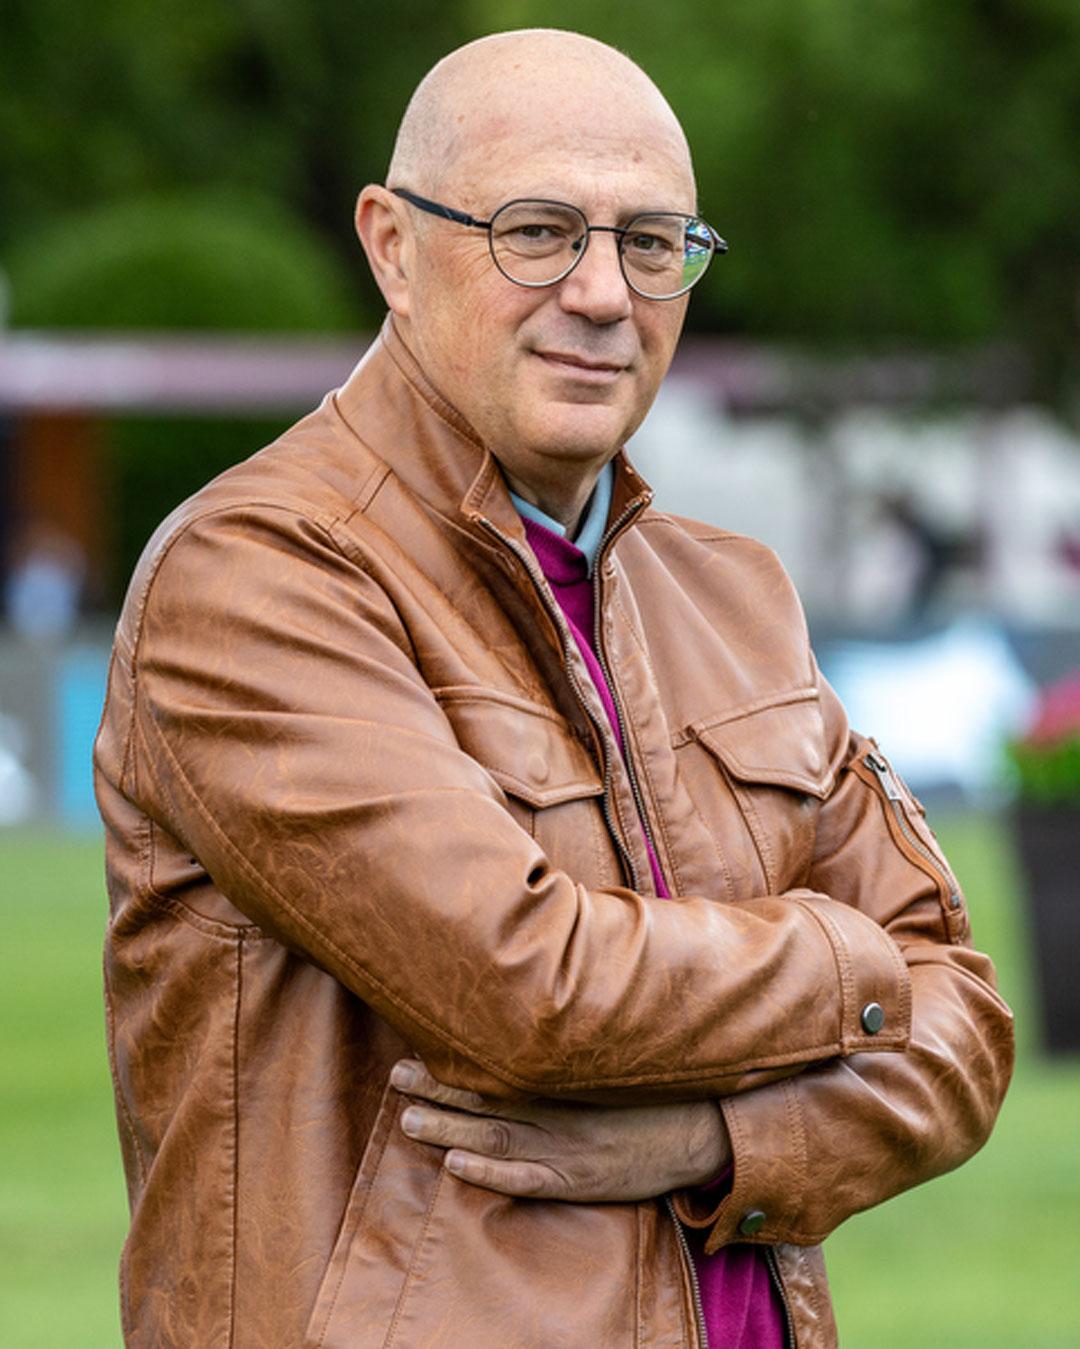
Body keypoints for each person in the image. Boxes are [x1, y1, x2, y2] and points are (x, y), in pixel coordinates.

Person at [94, 29, 1014, 1348]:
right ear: (393, 246)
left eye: (653, 244)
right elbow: (530, 990)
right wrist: (844, 957)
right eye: (537, 231)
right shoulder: (256, 576)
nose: (601, 293)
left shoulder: (736, 598)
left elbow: (967, 1024)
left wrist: (707, 1138)